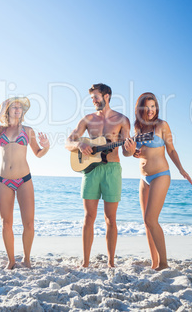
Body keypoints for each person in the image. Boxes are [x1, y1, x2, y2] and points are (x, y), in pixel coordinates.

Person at [66, 83, 136, 268]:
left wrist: (131, 149)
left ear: (107, 96)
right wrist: (79, 145)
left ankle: (111, 263)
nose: (94, 101)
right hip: (90, 170)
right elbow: (68, 141)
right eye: (92, 98)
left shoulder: (122, 119)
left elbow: (127, 153)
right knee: (89, 217)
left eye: (96, 97)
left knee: (110, 219)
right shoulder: (87, 119)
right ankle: (86, 262)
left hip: (112, 169)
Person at [0, 97, 50, 269]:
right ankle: (11, 260)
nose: (17, 109)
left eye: (19, 107)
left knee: (28, 223)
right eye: (13, 107)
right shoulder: (0, 130)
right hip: (4, 180)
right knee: (6, 223)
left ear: (22, 112)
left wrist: (47, 147)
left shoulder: (28, 131)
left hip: (24, 180)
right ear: (7, 111)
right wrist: (1, 110)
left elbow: (38, 153)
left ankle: (27, 259)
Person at [134, 92, 192, 271]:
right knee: (146, 222)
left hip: (160, 175)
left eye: (153, 106)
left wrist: (181, 170)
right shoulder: (138, 129)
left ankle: (164, 263)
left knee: (151, 219)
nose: (150, 110)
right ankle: (154, 263)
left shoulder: (162, 125)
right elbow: (133, 152)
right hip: (144, 179)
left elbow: (171, 150)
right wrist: (133, 152)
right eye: (147, 107)